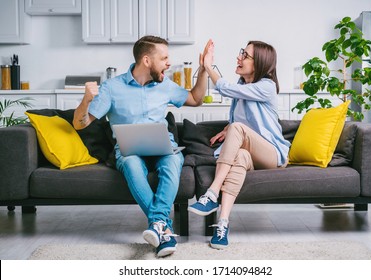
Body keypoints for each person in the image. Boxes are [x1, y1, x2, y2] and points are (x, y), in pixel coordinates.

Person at [73, 35, 209, 257]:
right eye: (164, 58)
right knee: (131, 164)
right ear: (146, 61)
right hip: (130, 151)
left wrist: (203, 70)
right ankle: (163, 227)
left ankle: (158, 225)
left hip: (163, 147)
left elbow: (196, 99)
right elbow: (81, 124)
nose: (168, 62)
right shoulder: (112, 88)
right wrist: (86, 100)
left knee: (174, 160)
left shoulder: (165, 85)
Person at [188, 40, 291, 249]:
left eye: (245, 55)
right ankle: (223, 224)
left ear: (260, 62)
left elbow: (226, 90)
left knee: (236, 128)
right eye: (241, 52)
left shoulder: (267, 86)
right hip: (250, 154)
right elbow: (241, 119)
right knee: (240, 157)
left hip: (272, 154)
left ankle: (212, 192)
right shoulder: (242, 87)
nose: (239, 57)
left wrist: (208, 66)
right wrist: (229, 129)